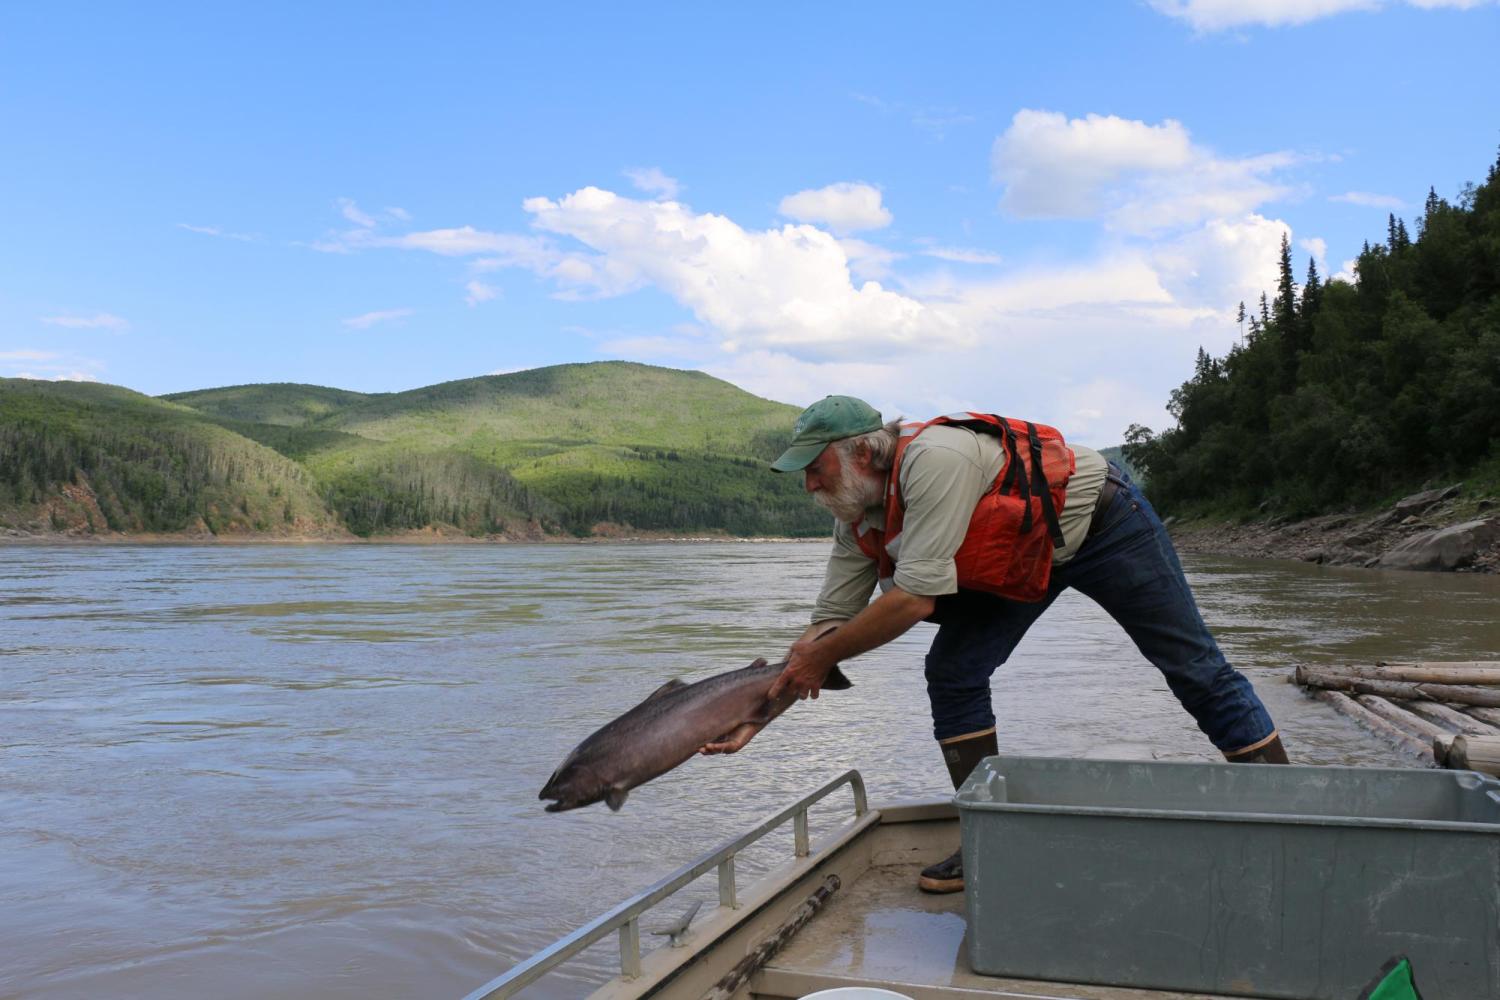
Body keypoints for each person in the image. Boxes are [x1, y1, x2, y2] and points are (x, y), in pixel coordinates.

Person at [701, 395, 1287, 894]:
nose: (808, 484)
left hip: (1103, 524)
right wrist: (759, 712)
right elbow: (825, 629)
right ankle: (990, 841)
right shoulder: (854, 512)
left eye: (814, 467)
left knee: (1193, 667)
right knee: (953, 672)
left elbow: (911, 601)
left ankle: (1287, 819)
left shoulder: (933, 461)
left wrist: (820, 659)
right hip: (1022, 557)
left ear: (860, 452)